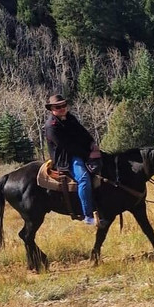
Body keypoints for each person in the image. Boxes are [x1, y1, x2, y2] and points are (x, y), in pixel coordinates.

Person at [43, 93, 101, 225]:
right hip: (66, 158)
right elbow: (66, 147)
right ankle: (88, 215)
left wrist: (92, 143)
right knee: (84, 178)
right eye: (58, 107)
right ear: (52, 109)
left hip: (80, 152)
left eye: (63, 105)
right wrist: (88, 154)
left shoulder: (70, 118)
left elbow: (83, 132)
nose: (62, 108)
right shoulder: (51, 126)